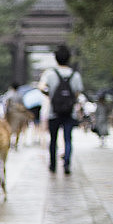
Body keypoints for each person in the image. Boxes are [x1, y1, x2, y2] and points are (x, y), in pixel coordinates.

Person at [38, 45, 84, 175]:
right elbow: (77, 93)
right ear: (69, 59)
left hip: (54, 112)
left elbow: (41, 86)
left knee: (53, 139)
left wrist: (50, 94)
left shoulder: (50, 73)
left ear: (56, 58)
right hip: (70, 112)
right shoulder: (75, 75)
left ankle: (53, 165)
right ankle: (67, 164)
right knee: (68, 139)